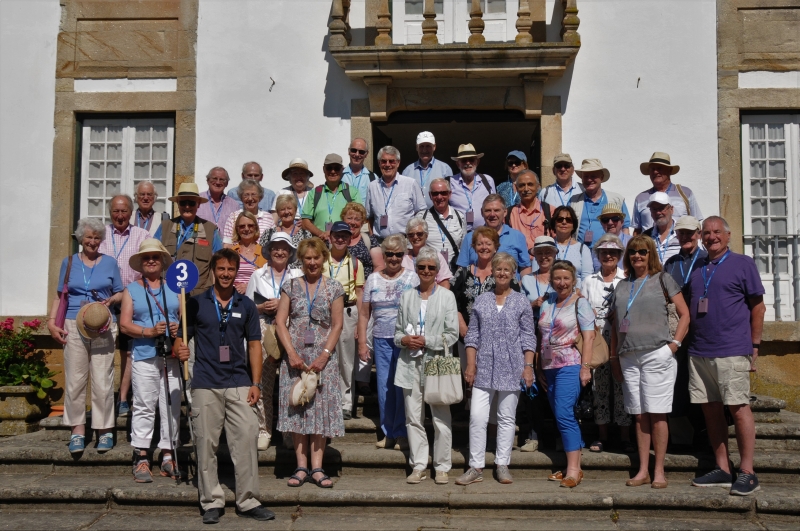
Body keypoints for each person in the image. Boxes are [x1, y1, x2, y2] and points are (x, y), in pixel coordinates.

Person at [174, 249, 274, 524]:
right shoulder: (195, 303)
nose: (226, 274)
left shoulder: (246, 305)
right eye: (221, 269)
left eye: (231, 269)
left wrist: (255, 383)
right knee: (205, 444)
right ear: (213, 271)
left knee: (247, 437)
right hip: (205, 383)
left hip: (239, 381)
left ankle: (248, 500)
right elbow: (181, 339)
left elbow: (254, 345)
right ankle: (212, 501)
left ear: (236, 271)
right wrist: (178, 349)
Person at [687, 216, 765, 496]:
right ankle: (723, 468)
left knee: (738, 408)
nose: (711, 237)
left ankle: (747, 471)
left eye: (717, 232)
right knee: (710, 409)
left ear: (728, 235)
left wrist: (754, 345)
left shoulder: (743, 264)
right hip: (699, 350)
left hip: (732, 349)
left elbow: (758, 307)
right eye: (706, 233)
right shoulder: (698, 268)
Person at [609, 235, 690, 489]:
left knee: (657, 414)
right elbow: (614, 326)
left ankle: (659, 471)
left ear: (650, 253)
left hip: (658, 353)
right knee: (639, 415)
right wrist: (614, 358)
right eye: (633, 252)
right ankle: (642, 470)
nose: (637, 256)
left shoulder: (663, 279)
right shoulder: (621, 286)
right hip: (628, 356)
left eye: (642, 251)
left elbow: (685, 314)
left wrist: (674, 345)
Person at [457, 253, 536, 486]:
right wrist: (470, 365)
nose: (502, 273)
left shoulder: (521, 301)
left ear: (513, 274)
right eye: (498, 269)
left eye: (507, 270)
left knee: (506, 417)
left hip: (512, 366)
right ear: (492, 271)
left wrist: (528, 367)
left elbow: (528, 337)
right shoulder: (482, 300)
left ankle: (502, 464)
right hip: (484, 367)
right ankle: (476, 466)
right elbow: (472, 336)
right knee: (477, 416)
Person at [46, 217, 124, 454]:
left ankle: (104, 430)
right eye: (88, 236)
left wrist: (111, 299)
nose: (92, 241)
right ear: (81, 238)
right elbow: (61, 296)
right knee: (75, 379)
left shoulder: (110, 263)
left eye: (97, 237)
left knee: (102, 379)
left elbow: (120, 292)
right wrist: (51, 322)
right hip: (73, 322)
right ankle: (77, 431)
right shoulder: (68, 262)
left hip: (101, 323)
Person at [275, 238, 345, 489]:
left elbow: (337, 324)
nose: (312, 262)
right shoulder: (291, 286)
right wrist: (291, 354)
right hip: (295, 358)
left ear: (323, 258)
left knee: (319, 412)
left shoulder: (334, 287)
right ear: (301, 260)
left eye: (316, 257)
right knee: (297, 409)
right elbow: (280, 321)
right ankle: (301, 465)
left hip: (323, 358)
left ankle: (317, 467)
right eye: (308, 258)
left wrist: (325, 354)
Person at [394, 247, 458, 485]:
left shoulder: (447, 296)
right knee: (413, 418)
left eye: (431, 267)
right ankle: (419, 464)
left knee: (441, 418)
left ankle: (442, 466)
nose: (427, 271)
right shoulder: (407, 296)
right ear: (417, 269)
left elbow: (451, 335)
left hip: (436, 365)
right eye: (422, 267)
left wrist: (427, 341)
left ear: (437, 270)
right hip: (410, 364)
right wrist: (404, 340)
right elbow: (397, 332)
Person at [119, 239, 181, 482]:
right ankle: (142, 455)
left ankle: (168, 453)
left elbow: (183, 318)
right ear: (141, 263)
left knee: (172, 404)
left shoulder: (175, 288)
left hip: (171, 355)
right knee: (145, 403)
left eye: (156, 256)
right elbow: (124, 324)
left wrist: (177, 328)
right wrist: (149, 332)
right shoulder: (131, 290)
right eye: (146, 258)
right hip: (144, 353)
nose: (151, 260)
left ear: (163, 260)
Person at [358, 234, 419, 451]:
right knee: (384, 387)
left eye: (398, 254)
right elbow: (364, 314)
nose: (393, 258)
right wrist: (363, 343)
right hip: (381, 339)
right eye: (389, 254)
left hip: (405, 340)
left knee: (402, 386)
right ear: (383, 255)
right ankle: (388, 432)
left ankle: (402, 433)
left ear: (403, 255)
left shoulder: (413, 278)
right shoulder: (373, 279)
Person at [537, 260, 594, 488]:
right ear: (551, 280)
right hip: (548, 367)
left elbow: (589, 336)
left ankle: (573, 471)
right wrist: (539, 366)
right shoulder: (547, 303)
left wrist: (586, 367)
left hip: (570, 363)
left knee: (564, 414)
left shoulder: (580, 303)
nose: (561, 283)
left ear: (573, 280)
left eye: (566, 278)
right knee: (561, 415)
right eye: (557, 278)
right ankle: (573, 466)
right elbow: (541, 335)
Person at [246, 233, 303, 451]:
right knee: (265, 382)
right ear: (269, 251)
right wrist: (262, 307)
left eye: (284, 248)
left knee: (289, 383)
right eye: (276, 248)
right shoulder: (257, 274)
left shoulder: (298, 274)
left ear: (290, 253)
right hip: (264, 331)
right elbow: (248, 308)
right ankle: (264, 429)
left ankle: (288, 430)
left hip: (291, 331)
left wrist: (284, 304)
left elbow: (305, 303)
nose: (280, 252)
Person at [98, 195, 150, 417]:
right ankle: (103, 398)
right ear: (110, 212)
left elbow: (149, 266)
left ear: (131, 212)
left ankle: (122, 398)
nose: (120, 216)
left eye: (124, 211)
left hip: (132, 299)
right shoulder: (100, 235)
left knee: (129, 352)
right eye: (116, 211)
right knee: (103, 352)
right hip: (103, 302)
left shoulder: (141, 235)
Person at [581, 234, 631, 453]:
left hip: (622, 339)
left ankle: (624, 436)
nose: (608, 256)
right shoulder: (589, 281)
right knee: (599, 388)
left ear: (620, 255)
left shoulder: (627, 279)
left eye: (612, 252)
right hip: (598, 340)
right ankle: (601, 436)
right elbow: (580, 308)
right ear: (598, 255)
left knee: (623, 387)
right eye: (603, 252)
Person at [663, 215, 707, 447]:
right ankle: (681, 439)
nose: (685, 237)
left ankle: (704, 436)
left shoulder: (707, 260)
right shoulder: (671, 263)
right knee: (678, 385)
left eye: (690, 232)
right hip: (677, 333)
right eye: (681, 233)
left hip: (702, 332)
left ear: (698, 233)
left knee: (701, 384)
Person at [519, 236, 558, 453]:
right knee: (532, 382)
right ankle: (533, 435)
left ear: (555, 255)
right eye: (540, 252)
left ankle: (554, 437)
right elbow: (518, 308)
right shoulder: (526, 280)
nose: (544, 256)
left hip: (556, 336)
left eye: (548, 252)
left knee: (552, 382)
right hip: (533, 333)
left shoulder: (563, 276)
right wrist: (531, 304)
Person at [323, 221, 365, 420]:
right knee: (325, 356)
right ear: (330, 237)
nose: (340, 239)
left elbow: (359, 292)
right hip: (324, 314)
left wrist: (360, 323)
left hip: (348, 312)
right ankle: (325, 399)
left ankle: (345, 402)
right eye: (337, 235)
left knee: (346, 360)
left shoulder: (356, 263)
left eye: (344, 236)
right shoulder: (322, 260)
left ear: (350, 239)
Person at [154, 182, 223, 297]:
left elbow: (219, 261)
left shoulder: (210, 230)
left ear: (198, 204)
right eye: (183, 202)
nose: (187, 206)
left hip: (199, 295)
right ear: (177, 204)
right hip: (168, 293)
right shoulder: (165, 226)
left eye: (191, 203)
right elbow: (153, 255)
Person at [456, 195, 532, 275]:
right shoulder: (470, 237)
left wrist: (520, 285)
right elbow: (462, 269)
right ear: (482, 212)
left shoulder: (517, 236)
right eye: (488, 210)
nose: (492, 214)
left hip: (508, 286)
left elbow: (525, 268)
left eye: (496, 210)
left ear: (505, 212)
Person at [366, 146, 426, 242]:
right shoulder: (372, 187)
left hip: (405, 241)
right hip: (380, 243)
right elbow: (370, 217)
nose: (387, 164)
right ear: (379, 163)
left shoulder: (410, 184)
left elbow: (421, 211)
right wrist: (372, 238)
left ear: (398, 163)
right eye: (384, 161)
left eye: (391, 161)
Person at [632, 152, 703, 234]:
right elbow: (637, 230)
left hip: (679, 245)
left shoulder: (685, 193)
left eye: (659, 168)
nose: (655, 172)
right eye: (652, 169)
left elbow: (696, 224)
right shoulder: (641, 198)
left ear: (669, 170)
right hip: (649, 245)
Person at [569, 159, 631, 250]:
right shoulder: (574, 201)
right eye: (586, 176)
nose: (589, 179)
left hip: (609, 252)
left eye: (593, 176)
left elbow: (625, 227)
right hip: (580, 252)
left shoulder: (616, 199)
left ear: (601, 177)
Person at [301, 153, 361, 242]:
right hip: (320, 243)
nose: (333, 171)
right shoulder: (314, 193)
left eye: (336, 168)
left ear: (342, 170)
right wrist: (322, 234)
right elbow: (305, 222)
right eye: (329, 168)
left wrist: (333, 234)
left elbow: (358, 218)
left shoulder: (352, 192)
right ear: (324, 169)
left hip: (343, 242)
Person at [414, 177, 465, 274]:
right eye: (435, 193)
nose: (439, 197)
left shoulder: (460, 217)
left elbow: (463, 249)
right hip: (429, 272)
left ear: (449, 194)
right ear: (430, 195)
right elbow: (413, 248)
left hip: (453, 271)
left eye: (443, 193)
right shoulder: (421, 218)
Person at [448, 143, 496, 229]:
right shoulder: (450, 182)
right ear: (458, 164)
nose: (468, 163)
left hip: (484, 233)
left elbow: (495, 205)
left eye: (471, 159)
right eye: (463, 160)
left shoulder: (487, 180)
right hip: (459, 235)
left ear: (477, 162)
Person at [401, 131, 453, 208]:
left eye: (428, 146)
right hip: (415, 217)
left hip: (438, 217)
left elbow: (450, 196)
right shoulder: (407, 171)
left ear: (434, 147)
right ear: (416, 147)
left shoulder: (445, 169)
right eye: (421, 146)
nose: (424, 150)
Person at [260, 194, 313, 268]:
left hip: (298, 276)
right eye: (282, 209)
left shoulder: (306, 235)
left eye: (289, 208)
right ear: (278, 212)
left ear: (295, 210)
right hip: (275, 275)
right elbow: (262, 258)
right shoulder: (269, 233)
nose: (286, 212)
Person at [506, 169, 553, 253]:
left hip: (542, 262)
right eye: (522, 185)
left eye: (530, 184)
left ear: (538, 187)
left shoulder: (550, 211)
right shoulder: (509, 213)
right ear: (516, 188)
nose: (526, 189)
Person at [221, 179, 274, 246]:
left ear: (260, 197)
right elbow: (227, 244)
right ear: (241, 198)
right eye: (246, 195)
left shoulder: (268, 217)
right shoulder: (233, 217)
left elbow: (273, 243)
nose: (250, 198)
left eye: (253, 194)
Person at [403, 217, 452, 288]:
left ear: (426, 235)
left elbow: (444, 283)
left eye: (419, 234)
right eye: (411, 235)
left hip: (431, 296)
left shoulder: (437, 256)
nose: (415, 237)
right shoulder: (403, 257)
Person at [550, 205, 593, 286]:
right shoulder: (546, 246)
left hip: (576, 293)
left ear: (573, 225)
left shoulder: (582, 249)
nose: (564, 222)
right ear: (554, 223)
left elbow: (587, 277)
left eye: (568, 220)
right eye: (560, 219)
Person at [341, 201, 383, 278]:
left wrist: (368, 284)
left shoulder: (370, 240)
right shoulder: (335, 240)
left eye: (357, 219)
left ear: (362, 222)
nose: (353, 222)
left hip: (365, 286)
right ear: (343, 220)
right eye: (349, 218)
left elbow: (379, 266)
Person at [230, 212, 267, 294]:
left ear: (256, 228)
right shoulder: (231, 252)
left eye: (250, 225)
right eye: (242, 226)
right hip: (233, 297)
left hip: (256, 297)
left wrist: (249, 286)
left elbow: (268, 280)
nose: (246, 229)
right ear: (237, 229)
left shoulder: (264, 253)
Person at [196, 167, 240, 232]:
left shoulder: (234, 205)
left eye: (222, 179)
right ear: (208, 181)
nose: (218, 182)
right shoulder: (197, 200)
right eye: (214, 178)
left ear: (227, 183)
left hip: (225, 242)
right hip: (201, 241)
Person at [591, 203, 631, 272]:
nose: (610, 222)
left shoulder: (631, 242)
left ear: (622, 222)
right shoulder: (598, 245)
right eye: (605, 219)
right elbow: (597, 269)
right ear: (601, 223)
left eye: (615, 219)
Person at [645, 192, 680, 264]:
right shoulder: (645, 236)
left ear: (671, 209)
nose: (658, 212)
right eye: (654, 209)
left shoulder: (683, 232)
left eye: (661, 208)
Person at [342, 138, 375, 205]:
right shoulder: (340, 175)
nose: (357, 154)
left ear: (366, 154)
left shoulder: (373, 178)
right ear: (349, 151)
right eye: (354, 150)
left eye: (361, 152)